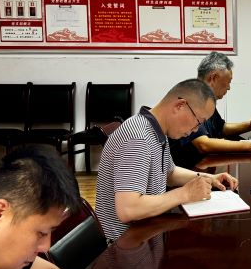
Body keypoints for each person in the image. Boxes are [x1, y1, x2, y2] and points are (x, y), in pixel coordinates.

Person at [95, 79, 239, 241]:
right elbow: (128, 209)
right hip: (125, 244)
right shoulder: (138, 138)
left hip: (148, 232)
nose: (196, 130)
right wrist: (185, 193)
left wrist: (209, 178)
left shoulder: (155, 129)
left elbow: (170, 173)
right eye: (198, 121)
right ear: (180, 106)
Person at [169, 52, 251, 169]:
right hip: (188, 171)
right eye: (228, 82)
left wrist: (249, 125)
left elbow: (220, 128)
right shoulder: (190, 99)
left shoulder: (205, 98)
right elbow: (203, 144)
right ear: (213, 78)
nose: (229, 87)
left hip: (204, 167)